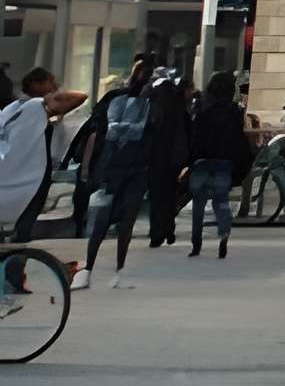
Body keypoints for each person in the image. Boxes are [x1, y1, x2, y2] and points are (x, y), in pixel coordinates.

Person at [0, 70, 85, 296]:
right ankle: (13, 279)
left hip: (19, 183)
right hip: (26, 186)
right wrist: (48, 101)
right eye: (50, 82)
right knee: (20, 235)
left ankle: (13, 278)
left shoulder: (13, 109)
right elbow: (78, 97)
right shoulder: (32, 107)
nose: (55, 85)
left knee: (13, 236)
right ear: (36, 84)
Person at [73, 62, 157, 284]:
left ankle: (102, 269)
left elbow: (105, 130)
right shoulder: (129, 101)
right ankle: (102, 269)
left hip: (121, 168)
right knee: (114, 221)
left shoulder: (140, 102)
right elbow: (111, 131)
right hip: (123, 168)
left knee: (115, 220)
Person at [186, 70, 250, 258]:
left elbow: (195, 135)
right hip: (224, 162)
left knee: (198, 204)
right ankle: (223, 234)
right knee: (221, 201)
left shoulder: (203, 107)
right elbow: (237, 139)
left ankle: (196, 243)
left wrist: (192, 159)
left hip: (202, 161)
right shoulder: (233, 111)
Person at [142, 64, 189, 247]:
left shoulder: (152, 103)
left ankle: (156, 232)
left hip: (155, 154)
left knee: (156, 195)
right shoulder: (178, 104)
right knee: (170, 193)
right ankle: (168, 228)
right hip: (174, 156)